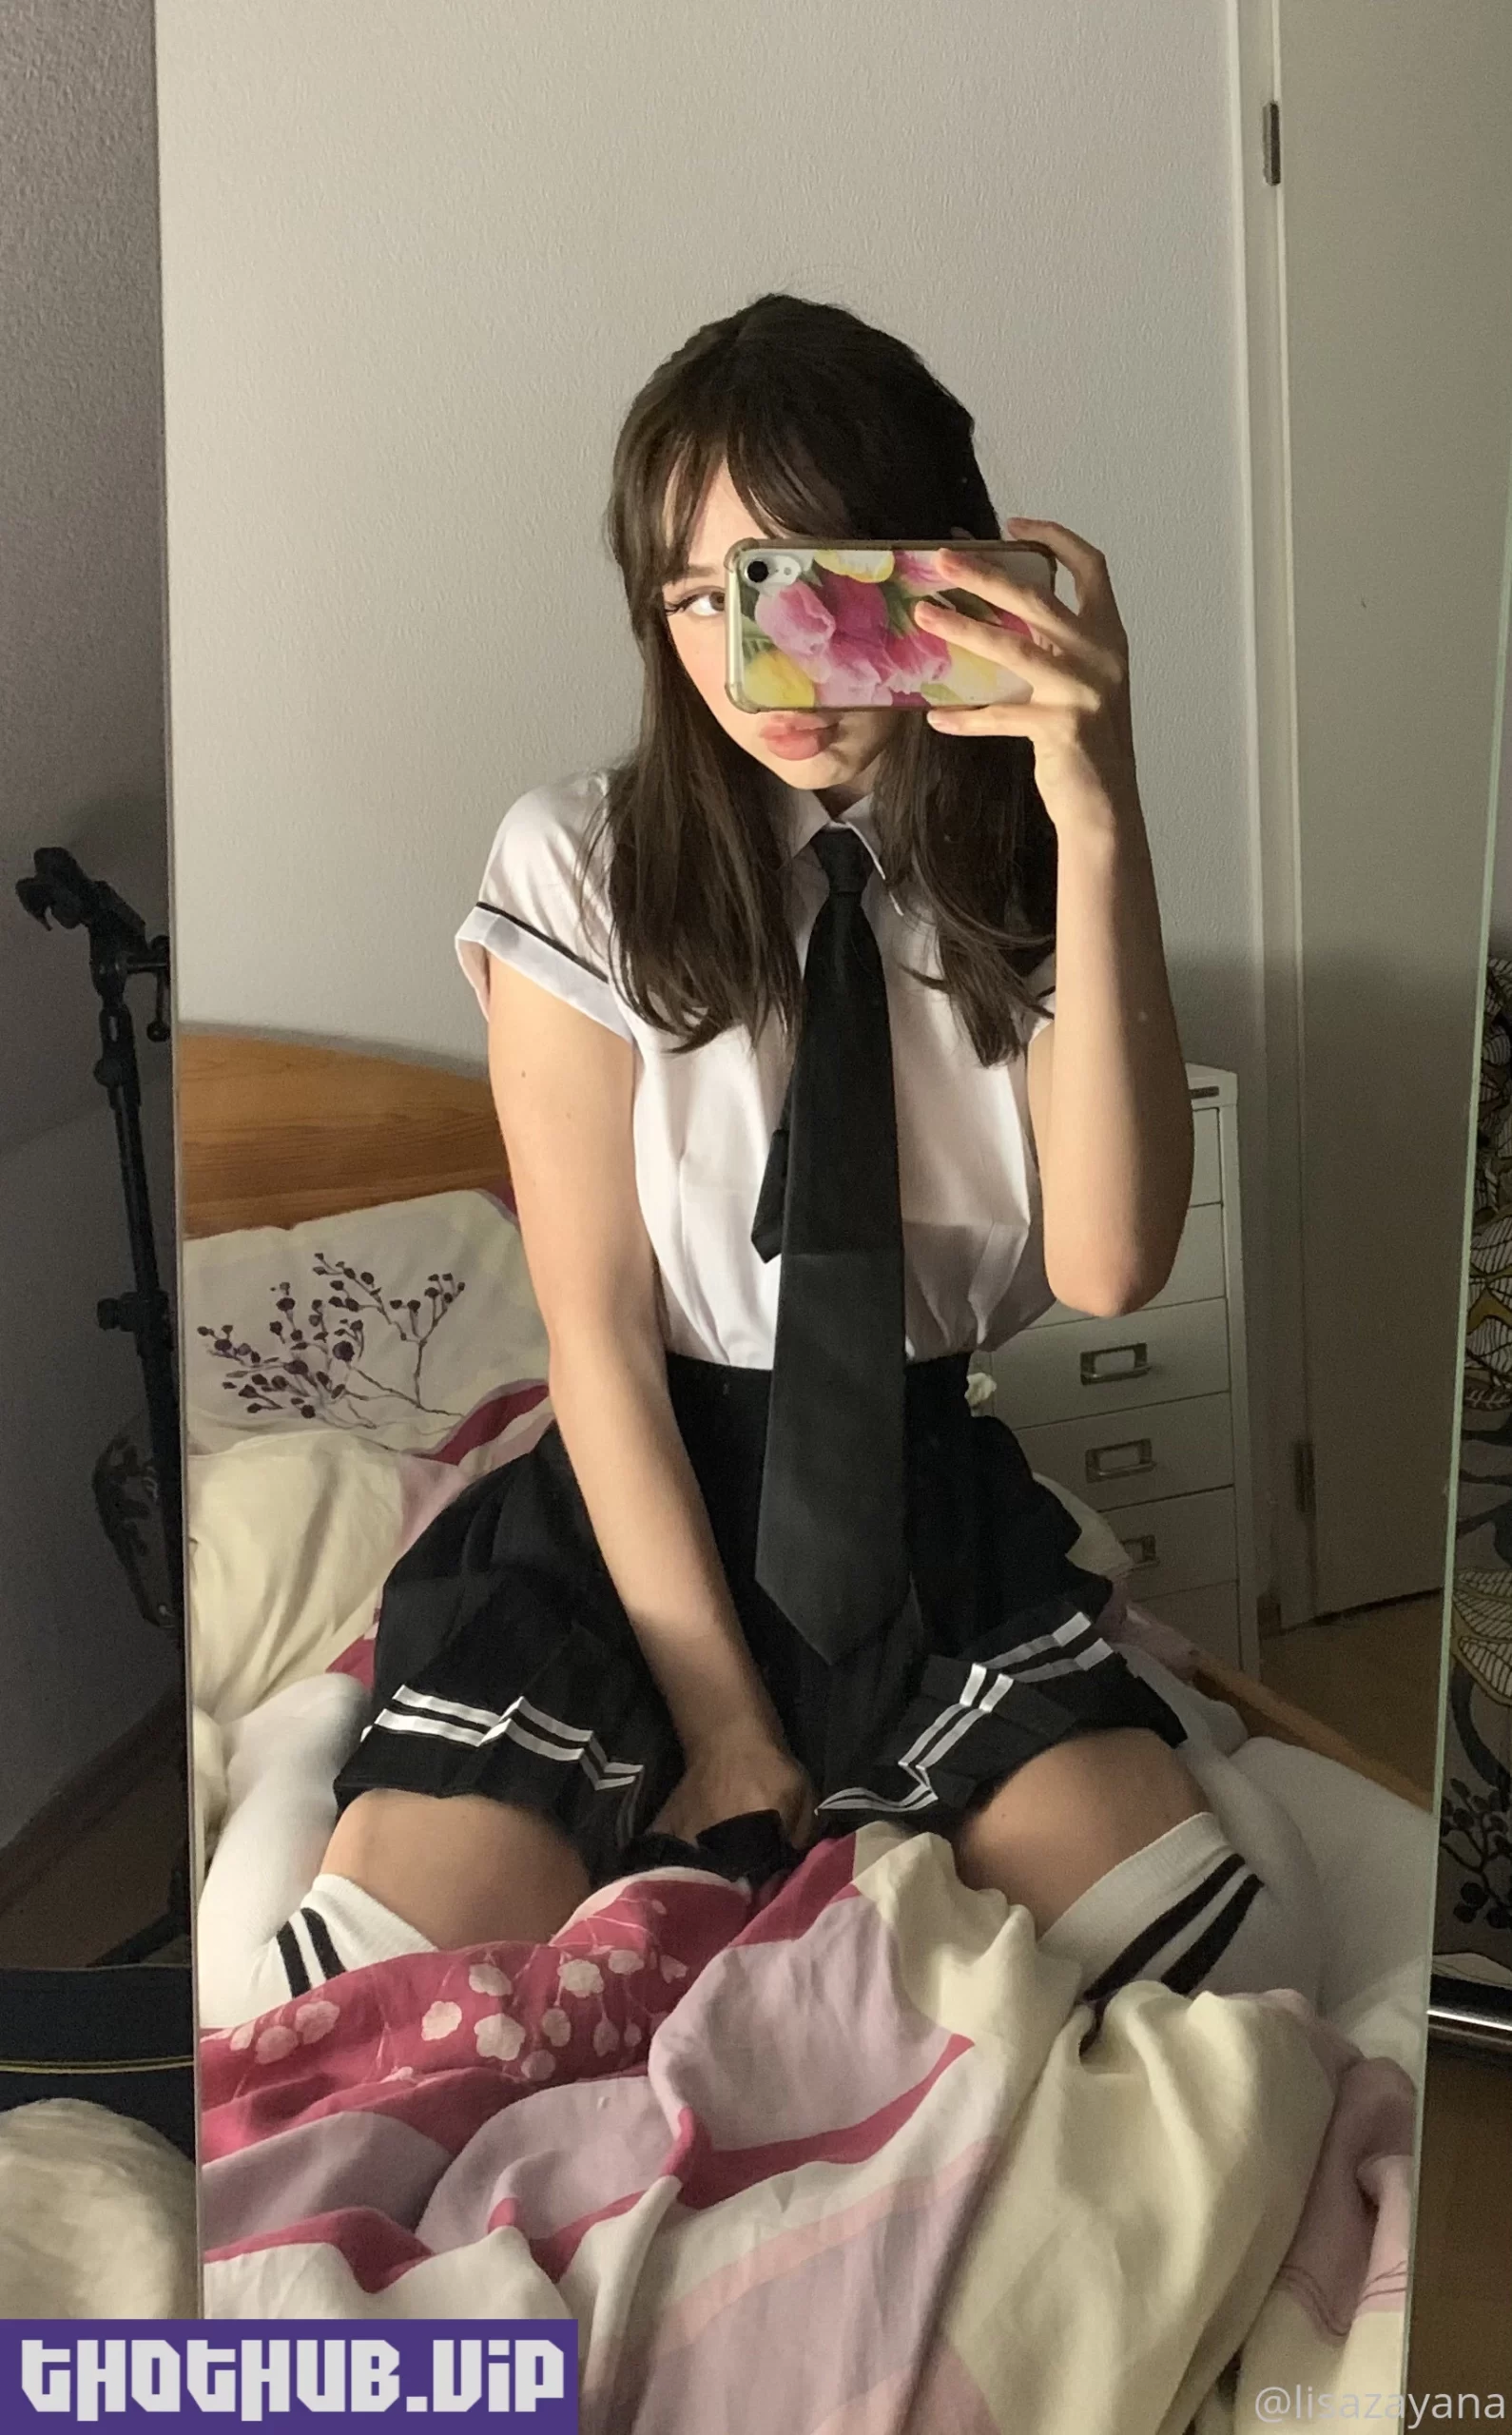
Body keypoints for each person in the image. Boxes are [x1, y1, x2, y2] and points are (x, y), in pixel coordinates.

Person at [195, 294, 1322, 2030]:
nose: (753, 659)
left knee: (1216, 1962)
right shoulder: (577, 863)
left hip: (916, 1488)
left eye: (806, 589)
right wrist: (723, 1722)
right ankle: (336, 1738)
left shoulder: (1028, 870)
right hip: (643, 1487)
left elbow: (1106, 1267)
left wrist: (1097, 801)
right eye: (698, 597)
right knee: (360, 1998)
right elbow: (595, 1329)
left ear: (948, 575)